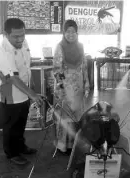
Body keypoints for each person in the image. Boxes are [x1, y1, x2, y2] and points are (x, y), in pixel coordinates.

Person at [0, 18, 43, 165]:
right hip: (10, 92)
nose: (20, 39)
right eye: (16, 36)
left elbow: (26, 65)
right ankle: (11, 153)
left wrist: (31, 84)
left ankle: (21, 146)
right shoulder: (3, 52)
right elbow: (14, 79)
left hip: (24, 89)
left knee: (22, 120)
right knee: (11, 124)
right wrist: (32, 94)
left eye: (23, 35)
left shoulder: (23, 42)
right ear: (6, 34)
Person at [53, 19, 90, 155]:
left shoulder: (80, 46)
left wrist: (87, 82)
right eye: (68, 31)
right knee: (65, 115)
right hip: (66, 86)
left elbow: (84, 66)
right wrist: (61, 84)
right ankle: (63, 145)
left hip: (78, 85)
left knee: (77, 115)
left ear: (76, 32)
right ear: (64, 33)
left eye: (73, 31)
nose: (70, 34)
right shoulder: (60, 47)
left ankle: (74, 142)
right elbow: (57, 68)